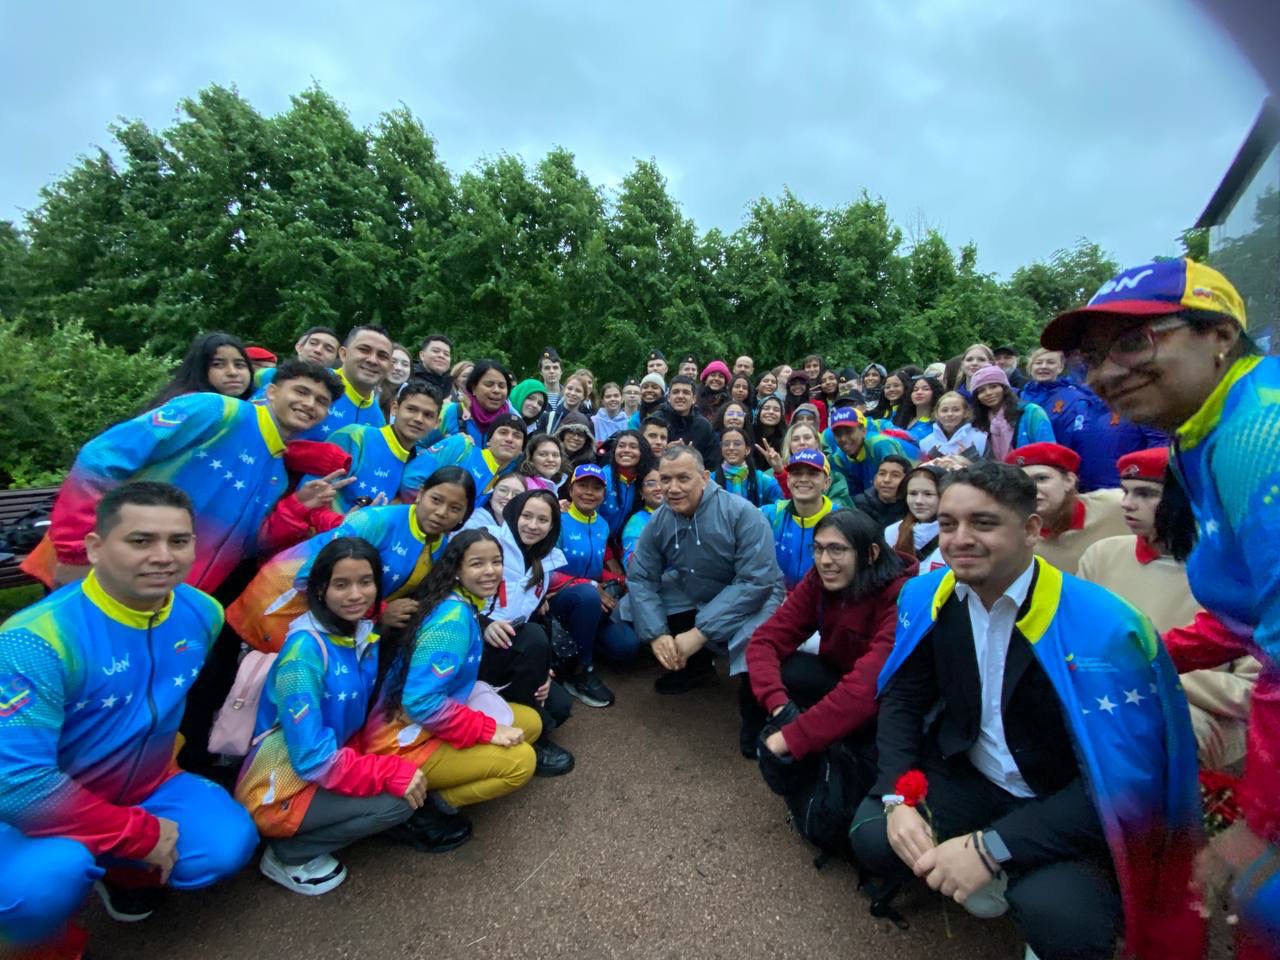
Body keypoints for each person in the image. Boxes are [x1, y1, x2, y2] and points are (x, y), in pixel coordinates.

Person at [850, 461, 1203, 960]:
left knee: (1059, 919)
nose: (959, 539)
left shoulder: (1105, 627)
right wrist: (895, 798)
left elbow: (1128, 783)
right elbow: (903, 698)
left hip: (1065, 801)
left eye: (984, 523)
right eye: (948, 525)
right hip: (974, 777)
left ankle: (1010, 873)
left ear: (1032, 530)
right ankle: (990, 875)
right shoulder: (927, 593)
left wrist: (992, 847)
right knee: (872, 833)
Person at [1041, 257, 1280, 953]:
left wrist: (1258, 823)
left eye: (1136, 342)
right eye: (1093, 356)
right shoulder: (1201, 434)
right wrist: (1144, 654)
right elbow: (1245, 618)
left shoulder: (1257, 437)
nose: (1107, 372)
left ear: (1220, 336)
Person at [0, 483, 257, 953]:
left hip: (146, 784)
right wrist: (137, 833)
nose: (163, 556)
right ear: (96, 548)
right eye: (140, 540)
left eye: (178, 541)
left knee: (226, 844)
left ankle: (121, 877)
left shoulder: (203, 612)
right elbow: (18, 785)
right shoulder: (33, 641)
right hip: (24, 813)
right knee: (43, 886)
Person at [23, 359, 344, 593]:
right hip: (100, 575)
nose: (308, 404)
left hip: (165, 601)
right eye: (300, 391)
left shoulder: (275, 469)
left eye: (321, 401)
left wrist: (298, 507)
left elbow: (247, 545)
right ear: (272, 391)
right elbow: (101, 459)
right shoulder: (216, 412)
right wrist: (76, 550)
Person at [235, 537, 427, 895]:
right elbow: (311, 759)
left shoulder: (360, 633)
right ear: (321, 589)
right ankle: (287, 855)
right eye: (341, 584)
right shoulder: (303, 654)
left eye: (365, 582)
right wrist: (388, 771)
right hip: (278, 788)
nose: (356, 594)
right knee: (398, 803)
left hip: (328, 759)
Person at [1077, 449, 1258, 771]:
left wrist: (1144, 668)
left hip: (1205, 722)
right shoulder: (1102, 555)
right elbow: (1077, 651)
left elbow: (1252, 694)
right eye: (1126, 491)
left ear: (1188, 498)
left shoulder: (1241, 572)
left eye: (1146, 493)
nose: (1126, 503)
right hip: (1105, 700)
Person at [362, 531, 541, 845]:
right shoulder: (452, 621)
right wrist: (487, 730)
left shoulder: (462, 603)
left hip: (429, 725)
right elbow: (420, 703)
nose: (490, 571)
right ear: (457, 570)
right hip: (403, 742)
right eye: (477, 564)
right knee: (522, 763)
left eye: (496, 562)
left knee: (531, 724)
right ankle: (421, 806)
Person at [746, 510, 912, 844]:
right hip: (840, 679)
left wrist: (793, 737)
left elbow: (867, 687)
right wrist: (781, 709)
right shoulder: (819, 581)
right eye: (818, 549)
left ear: (871, 554)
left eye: (837, 549)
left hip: (890, 705)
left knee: (866, 836)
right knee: (787, 671)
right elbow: (764, 641)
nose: (825, 560)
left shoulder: (902, 595)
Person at [227, 467, 475, 654]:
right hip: (281, 607)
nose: (442, 513)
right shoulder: (375, 521)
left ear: (465, 515)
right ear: (420, 494)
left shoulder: (442, 546)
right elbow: (310, 577)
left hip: (338, 631)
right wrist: (379, 612)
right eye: (436, 500)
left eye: (455, 508)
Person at [628, 446, 785, 698]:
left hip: (756, 593)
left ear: (705, 477)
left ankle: (760, 697)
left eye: (683, 478)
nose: (673, 488)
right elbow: (641, 577)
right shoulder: (659, 520)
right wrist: (656, 634)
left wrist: (700, 632)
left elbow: (756, 582)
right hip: (698, 585)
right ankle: (697, 668)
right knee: (632, 603)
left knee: (752, 647)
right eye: (665, 479)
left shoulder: (743, 513)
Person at [481, 490, 576, 776]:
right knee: (533, 635)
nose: (533, 525)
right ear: (513, 515)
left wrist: (543, 671)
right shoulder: (487, 545)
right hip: (475, 649)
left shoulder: (543, 561)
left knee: (559, 707)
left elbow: (532, 613)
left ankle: (505, 717)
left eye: (542, 520)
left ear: (552, 526)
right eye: (527, 516)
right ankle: (534, 742)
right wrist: (482, 624)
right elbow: (451, 596)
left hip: (512, 649)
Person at [548, 464, 639, 708]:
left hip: (590, 603)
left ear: (604, 493)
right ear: (571, 488)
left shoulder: (602, 525)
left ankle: (576, 646)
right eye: (583, 485)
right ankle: (580, 671)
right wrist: (587, 584)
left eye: (596, 488)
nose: (589, 492)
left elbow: (595, 568)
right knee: (589, 594)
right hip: (559, 602)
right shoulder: (557, 520)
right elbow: (545, 572)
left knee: (627, 647)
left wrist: (620, 580)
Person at [313, 379, 443, 513]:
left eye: (428, 415)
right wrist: (340, 522)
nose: (418, 419)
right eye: (411, 409)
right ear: (395, 409)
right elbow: (309, 492)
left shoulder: (417, 466)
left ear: (436, 423)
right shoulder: (356, 437)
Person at [1006, 442, 1126, 575]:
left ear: (1069, 481)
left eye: (1041, 478)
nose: (1030, 488)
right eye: (1020, 482)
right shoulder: (1012, 533)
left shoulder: (1117, 505)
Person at [289, 325, 394, 442]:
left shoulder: (378, 420)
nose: (372, 360)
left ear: (389, 367)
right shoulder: (308, 382)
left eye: (382, 356)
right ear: (344, 354)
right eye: (364, 350)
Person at [399, 413, 525, 508]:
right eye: (503, 432)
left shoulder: (498, 484)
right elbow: (411, 478)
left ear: (521, 450)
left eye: (517, 436)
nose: (509, 439)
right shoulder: (461, 446)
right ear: (489, 441)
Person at [760, 450, 834, 591]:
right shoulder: (771, 515)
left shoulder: (842, 520)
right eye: (796, 473)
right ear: (788, 481)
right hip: (776, 603)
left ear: (826, 483)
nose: (803, 479)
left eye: (812, 473)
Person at [146, 332, 255, 409]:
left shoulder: (256, 405)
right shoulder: (186, 407)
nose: (232, 372)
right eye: (218, 364)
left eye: (239, 365)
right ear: (199, 369)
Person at [968, 365, 1054, 462]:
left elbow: (1049, 450)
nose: (988, 393)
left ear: (1004, 388)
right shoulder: (980, 422)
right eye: (981, 391)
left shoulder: (1032, 412)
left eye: (993, 386)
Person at [824, 406, 906, 499]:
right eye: (838, 434)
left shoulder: (881, 445)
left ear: (863, 430)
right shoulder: (838, 459)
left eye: (848, 431)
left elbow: (898, 484)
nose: (843, 438)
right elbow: (850, 496)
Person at [884, 464, 946, 573]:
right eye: (913, 493)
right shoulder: (892, 532)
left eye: (928, 494)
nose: (918, 501)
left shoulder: (954, 534)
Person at [439, 360, 515, 446]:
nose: (496, 390)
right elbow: (422, 445)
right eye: (489, 385)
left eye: (501, 386)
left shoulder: (513, 420)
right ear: (474, 388)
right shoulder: (451, 412)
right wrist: (444, 445)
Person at [599, 430, 654, 537]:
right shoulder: (602, 477)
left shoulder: (643, 480)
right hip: (598, 541)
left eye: (633, 447)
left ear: (642, 452)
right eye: (621, 446)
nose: (626, 450)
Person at [658, 375, 719, 468]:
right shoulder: (655, 422)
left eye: (686, 392)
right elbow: (645, 457)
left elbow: (712, 464)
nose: (680, 396)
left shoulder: (704, 427)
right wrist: (664, 451)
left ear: (694, 399)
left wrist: (693, 457)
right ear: (669, 397)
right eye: (676, 392)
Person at [254, 325, 341, 389]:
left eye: (328, 349)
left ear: (336, 357)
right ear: (299, 347)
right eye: (313, 343)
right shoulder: (265, 375)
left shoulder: (336, 390)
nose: (318, 350)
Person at [714, 426, 781, 507]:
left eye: (737, 444)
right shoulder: (711, 479)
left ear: (747, 450)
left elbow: (787, 498)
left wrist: (779, 470)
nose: (731, 448)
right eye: (726, 444)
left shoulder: (760, 479)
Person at [919, 391, 988, 461]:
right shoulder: (925, 443)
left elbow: (992, 469)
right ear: (937, 414)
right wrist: (930, 460)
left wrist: (973, 459)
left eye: (956, 410)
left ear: (966, 413)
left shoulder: (981, 438)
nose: (950, 414)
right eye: (944, 410)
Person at [621, 464, 663, 567]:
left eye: (663, 481)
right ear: (641, 493)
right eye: (651, 483)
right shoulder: (637, 522)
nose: (658, 488)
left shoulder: (682, 514)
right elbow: (631, 564)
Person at [852, 454, 910, 528]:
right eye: (882, 474)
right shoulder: (858, 504)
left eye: (895, 475)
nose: (886, 480)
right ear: (875, 479)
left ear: (908, 481)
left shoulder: (912, 508)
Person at [462, 474, 526, 533]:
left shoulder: (525, 529)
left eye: (517, 494)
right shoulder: (471, 522)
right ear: (491, 494)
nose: (509, 497)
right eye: (503, 490)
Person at [892, 375, 944, 443]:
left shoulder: (938, 422)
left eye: (925, 389)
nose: (919, 392)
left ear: (936, 393)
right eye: (915, 390)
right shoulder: (903, 417)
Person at [538, 372, 588, 436]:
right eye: (569, 388)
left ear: (583, 396)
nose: (572, 393)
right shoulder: (547, 418)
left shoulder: (585, 422)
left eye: (578, 391)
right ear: (564, 390)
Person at [411, 333, 453, 400]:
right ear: (422, 355)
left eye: (446, 354)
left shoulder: (450, 385)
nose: (441, 356)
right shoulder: (409, 380)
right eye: (436, 351)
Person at [752, 396, 787, 471]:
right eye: (766, 408)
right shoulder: (748, 435)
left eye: (776, 410)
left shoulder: (787, 439)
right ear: (758, 412)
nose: (771, 412)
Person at [537, 347, 565, 415]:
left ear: (561, 371)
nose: (552, 371)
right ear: (541, 372)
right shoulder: (535, 395)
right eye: (547, 368)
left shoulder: (569, 395)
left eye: (555, 367)